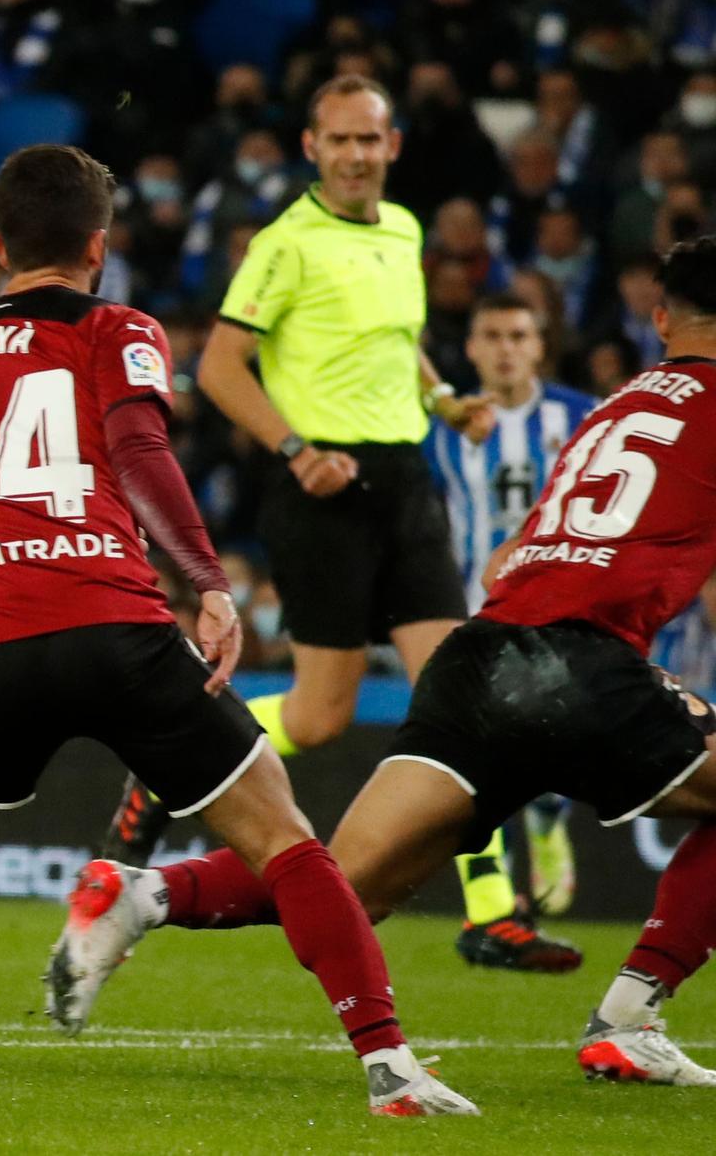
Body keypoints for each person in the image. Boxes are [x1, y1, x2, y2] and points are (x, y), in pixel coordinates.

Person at [0, 144, 474, 1118]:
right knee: (283, 838)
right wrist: (205, 582)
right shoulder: (116, 328)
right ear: (99, 245)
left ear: (1, 243)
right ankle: (387, 1062)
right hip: (113, 624)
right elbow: (135, 447)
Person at [65, 236, 716, 1089]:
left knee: (346, 883)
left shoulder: (612, 409)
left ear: (661, 318)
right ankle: (632, 1015)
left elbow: (499, 565)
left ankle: (144, 896)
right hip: (580, 667)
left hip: (479, 654)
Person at [98, 74, 579, 973]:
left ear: (392, 146)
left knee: (460, 699)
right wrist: (294, 450)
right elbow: (222, 364)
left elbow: (394, 342)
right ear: (313, 148)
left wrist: (441, 397)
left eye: (371, 139)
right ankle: (170, 767)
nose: (358, 155)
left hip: (406, 480)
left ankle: (491, 914)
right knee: (320, 717)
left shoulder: (402, 230)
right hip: (321, 489)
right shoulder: (286, 244)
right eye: (341, 140)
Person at [426, 294, 595, 917]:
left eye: (518, 335)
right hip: (477, 612)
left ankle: (548, 820)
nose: (505, 349)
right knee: (475, 749)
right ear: (470, 348)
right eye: (491, 335)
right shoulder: (441, 432)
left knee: (555, 748)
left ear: (539, 345)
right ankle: (493, 907)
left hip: (569, 611)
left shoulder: (585, 416)